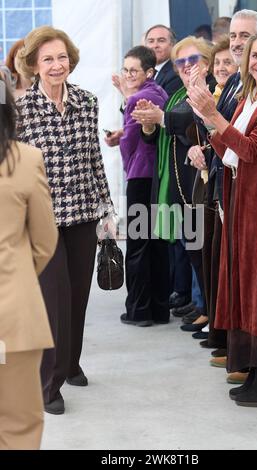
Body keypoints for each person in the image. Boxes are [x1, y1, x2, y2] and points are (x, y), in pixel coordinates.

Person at [188, 31, 257, 407]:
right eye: (255, 56)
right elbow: (227, 147)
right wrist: (208, 119)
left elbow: (251, 149)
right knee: (244, 280)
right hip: (241, 197)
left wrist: (213, 113)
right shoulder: (249, 97)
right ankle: (251, 366)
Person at [16, 26, 115, 415]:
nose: (57, 66)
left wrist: (107, 209)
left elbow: (94, 158)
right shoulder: (21, 109)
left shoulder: (87, 102)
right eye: (48, 59)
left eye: (61, 58)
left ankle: (71, 362)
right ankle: (48, 384)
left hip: (83, 214)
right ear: (34, 66)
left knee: (77, 296)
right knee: (52, 301)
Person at [189, 10, 257, 368]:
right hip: (225, 183)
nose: (237, 43)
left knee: (244, 275)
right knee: (225, 269)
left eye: (245, 37)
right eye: (234, 36)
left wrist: (210, 119)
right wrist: (205, 143)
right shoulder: (237, 81)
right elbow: (220, 132)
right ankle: (231, 344)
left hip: (253, 192)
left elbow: (247, 143)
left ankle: (247, 356)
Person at [131, 36, 215, 330]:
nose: (186, 66)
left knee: (201, 251)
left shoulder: (211, 89)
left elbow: (189, 123)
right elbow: (164, 134)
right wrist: (150, 125)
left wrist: (161, 118)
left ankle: (209, 310)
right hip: (179, 184)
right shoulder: (180, 93)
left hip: (200, 186)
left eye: (193, 60)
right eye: (181, 62)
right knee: (192, 250)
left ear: (208, 63)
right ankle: (203, 305)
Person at [0, 74, 57, 449]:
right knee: (19, 425)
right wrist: (18, 274)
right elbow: (44, 240)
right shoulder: (26, 159)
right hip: (14, 314)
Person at [105, 46, 169, 327]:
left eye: (134, 71)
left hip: (141, 176)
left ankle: (138, 310)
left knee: (138, 245)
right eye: (125, 69)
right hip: (156, 176)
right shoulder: (158, 92)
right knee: (156, 244)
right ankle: (158, 308)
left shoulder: (137, 99)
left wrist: (123, 143)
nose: (128, 75)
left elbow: (133, 143)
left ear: (149, 72)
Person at [145, 24, 183, 97]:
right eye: (151, 41)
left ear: (173, 45)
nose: (155, 45)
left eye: (161, 41)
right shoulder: (144, 71)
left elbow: (163, 105)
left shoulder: (175, 73)